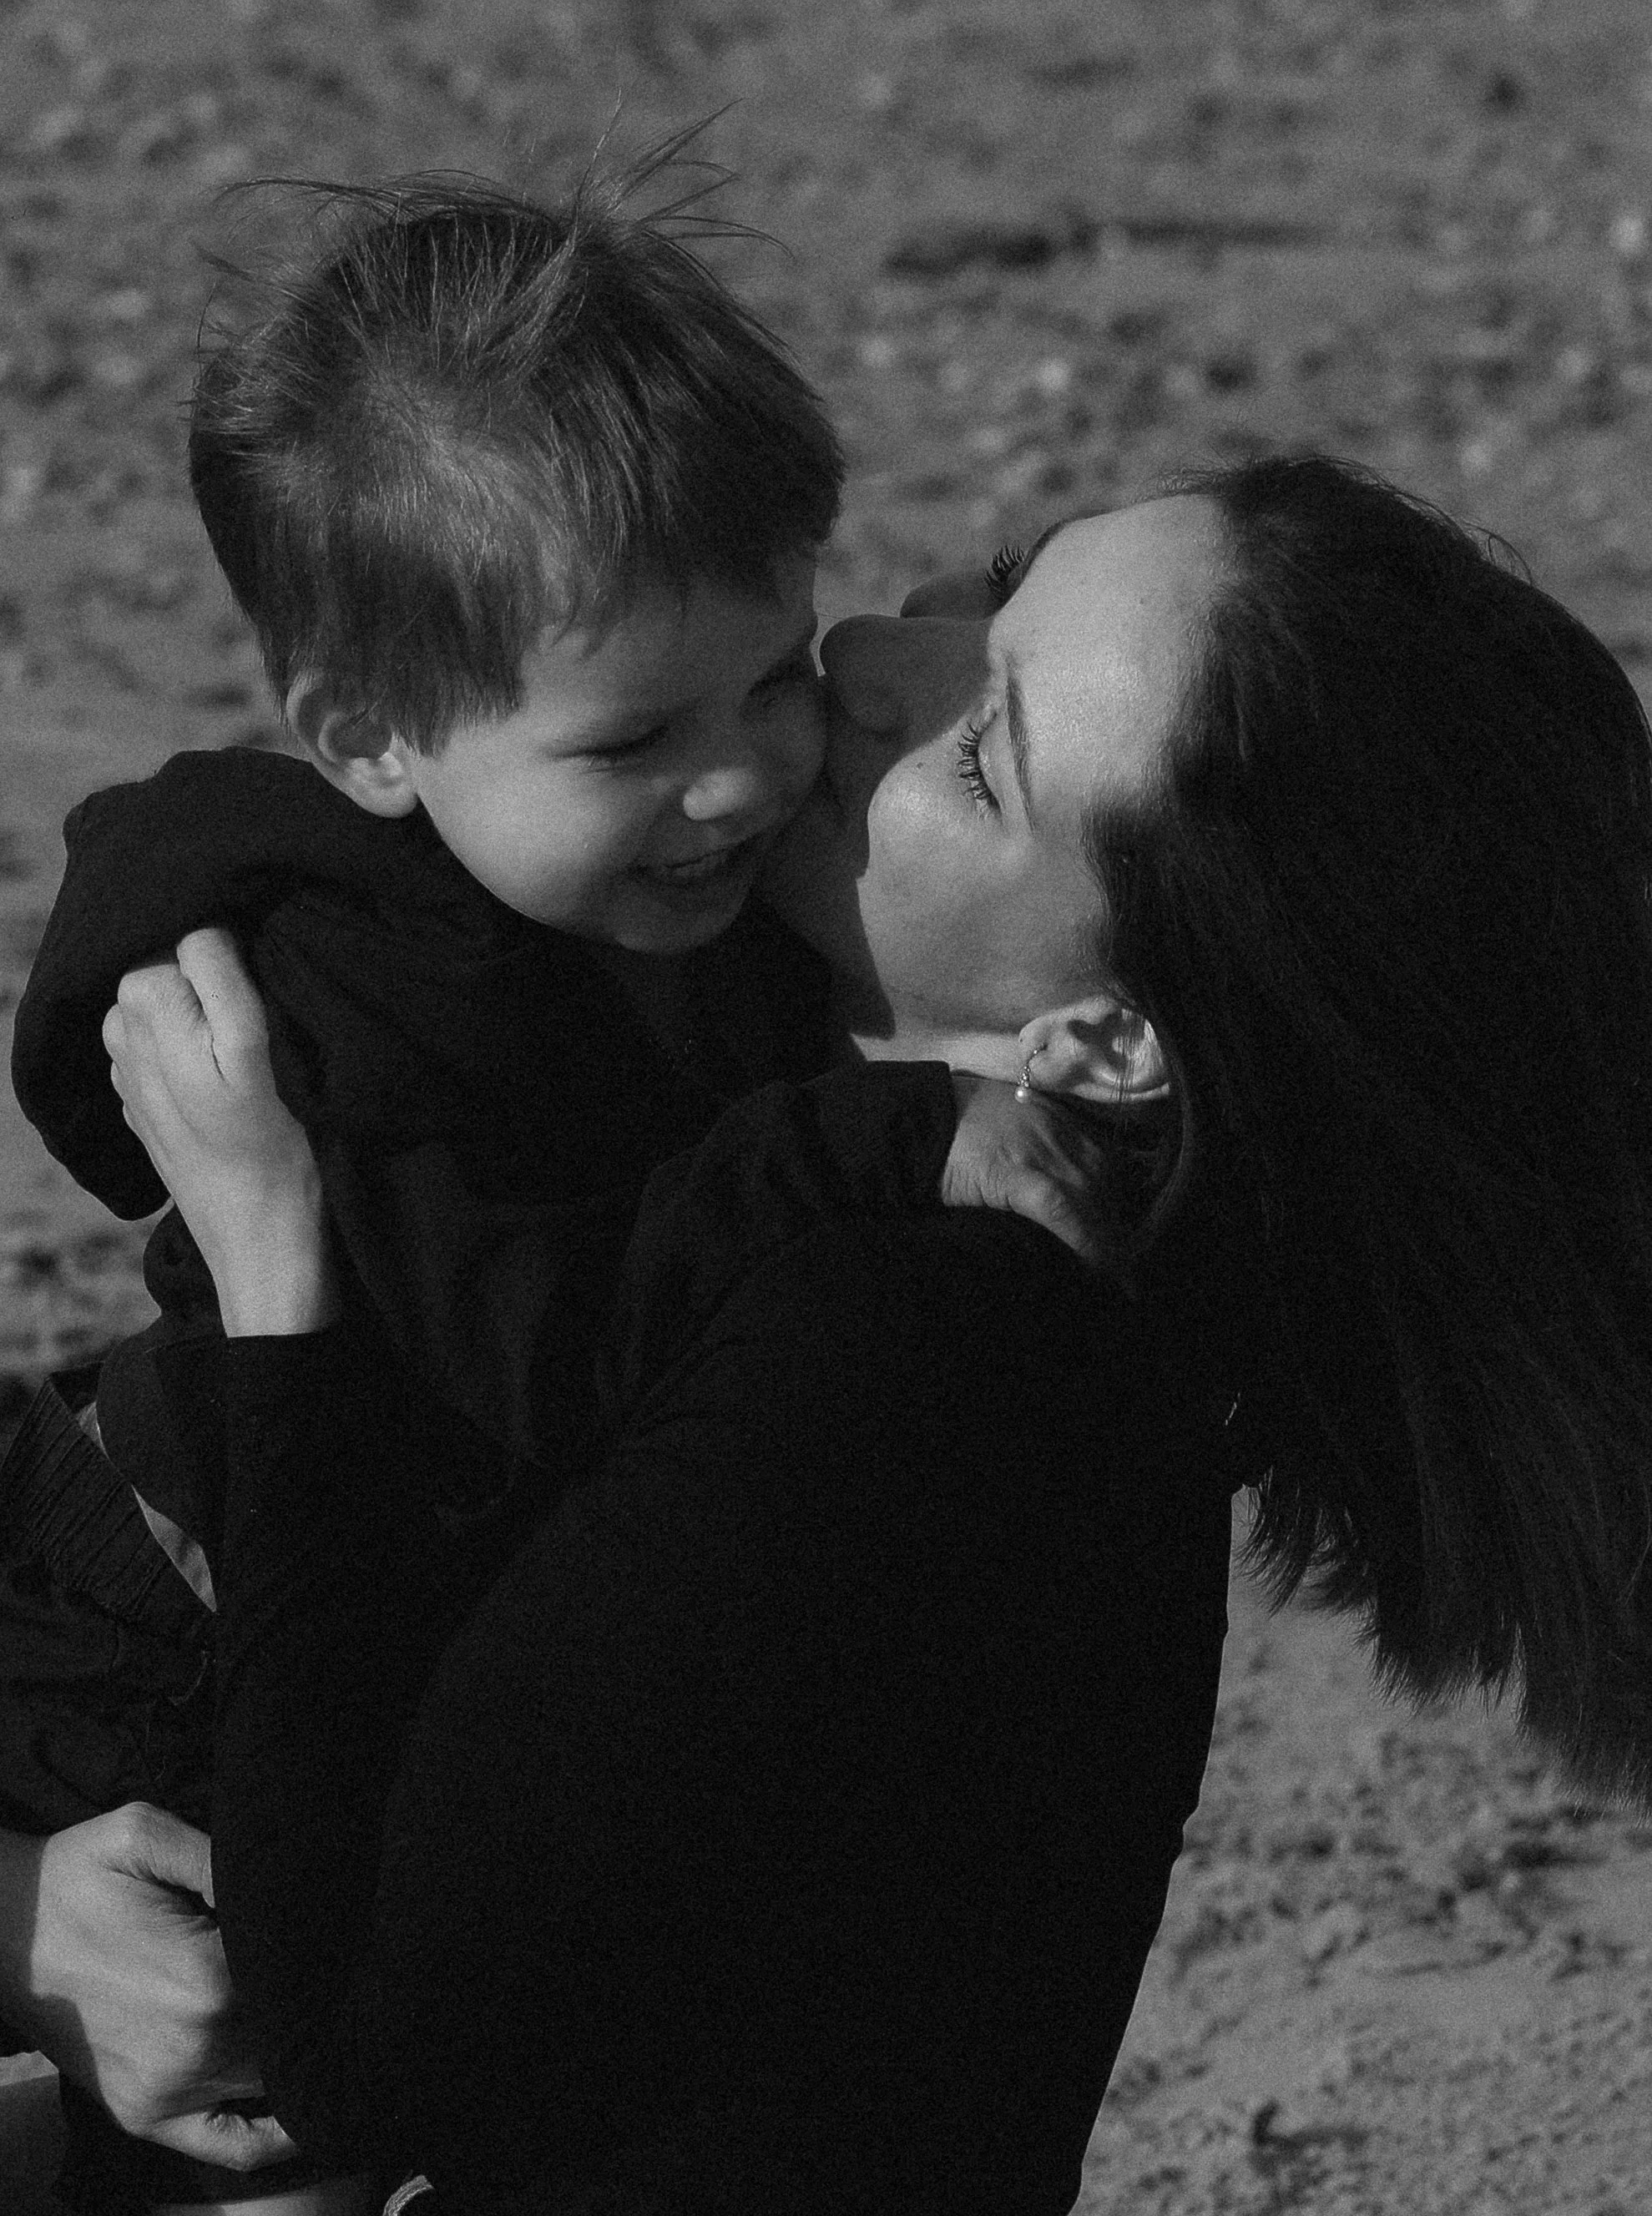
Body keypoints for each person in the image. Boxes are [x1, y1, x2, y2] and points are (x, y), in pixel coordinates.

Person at [88, 457, 1652, 2211]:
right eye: (984, 593)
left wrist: (274, 1273)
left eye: (982, 752)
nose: (865, 654)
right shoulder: (901, 1229)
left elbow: (355, 2055)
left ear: (1108, 1037)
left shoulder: (914, 1359)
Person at [1, 159, 1091, 2215]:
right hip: (166, 1620)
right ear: (372, 734)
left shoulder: (627, 894)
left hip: (368, 1590)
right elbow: (555, 1347)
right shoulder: (325, 1011)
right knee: (259, 2087)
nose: (743, 777)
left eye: (771, 674)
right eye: (635, 738)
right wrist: (886, 1129)